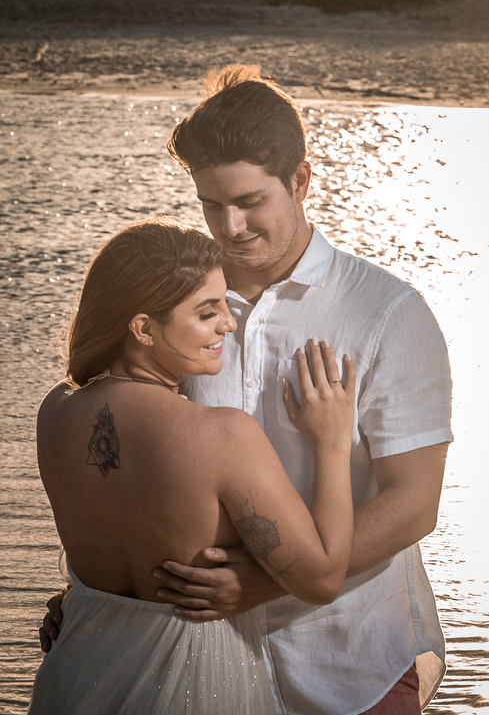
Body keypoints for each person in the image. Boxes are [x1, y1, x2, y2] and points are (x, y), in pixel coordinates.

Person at [44, 64, 455, 714]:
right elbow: (127, 464)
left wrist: (264, 582)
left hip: (345, 662)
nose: (230, 225)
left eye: (250, 201)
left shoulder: (387, 313)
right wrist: (97, 594)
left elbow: (414, 503)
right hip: (190, 665)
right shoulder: (178, 310)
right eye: (212, 204)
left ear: (301, 181)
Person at [29, 217, 358, 714]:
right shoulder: (221, 436)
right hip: (193, 678)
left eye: (225, 304)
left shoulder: (54, 411)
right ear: (143, 329)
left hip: (77, 665)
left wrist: (71, 599)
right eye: (208, 312)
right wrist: (332, 442)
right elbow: (323, 578)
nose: (229, 323)